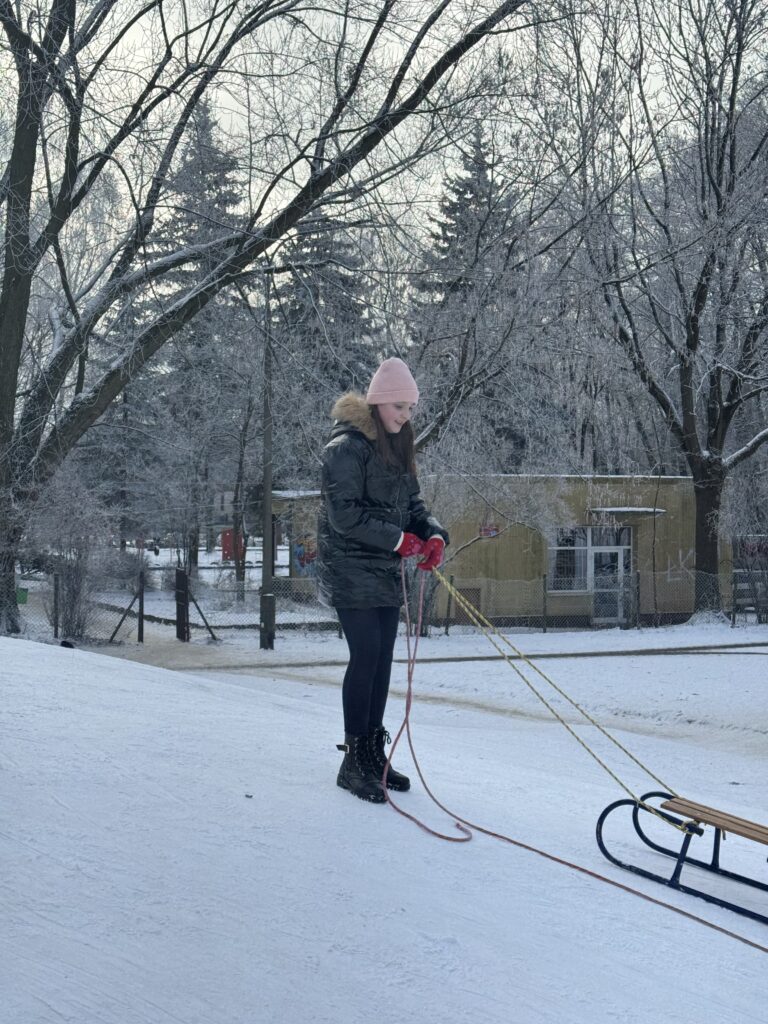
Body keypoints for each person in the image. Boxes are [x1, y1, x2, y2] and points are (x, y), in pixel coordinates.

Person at [318, 357, 449, 803]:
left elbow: (413, 503)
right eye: (399, 407)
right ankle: (353, 761)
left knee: (382, 662)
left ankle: (374, 754)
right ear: (377, 403)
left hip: (385, 569)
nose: (405, 416)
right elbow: (345, 516)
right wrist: (398, 541)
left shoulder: (398, 444)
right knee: (366, 655)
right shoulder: (345, 448)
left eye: (410, 409)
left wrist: (431, 533)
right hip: (351, 567)